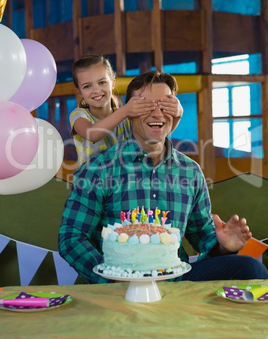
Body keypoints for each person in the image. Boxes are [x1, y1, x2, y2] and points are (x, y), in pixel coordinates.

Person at [59, 70, 268, 284]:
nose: (157, 113)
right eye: (146, 106)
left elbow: (202, 234)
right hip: (118, 283)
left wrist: (224, 246)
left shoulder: (191, 171)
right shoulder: (100, 168)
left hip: (177, 280)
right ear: (129, 112)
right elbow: (71, 237)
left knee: (250, 267)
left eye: (165, 105)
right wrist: (111, 279)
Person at [70, 54, 182, 165]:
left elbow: (156, 135)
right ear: (80, 92)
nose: (96, 90)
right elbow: (91, 134)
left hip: (121, 175)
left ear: (113, 82)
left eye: (102, 82)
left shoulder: (124, 116)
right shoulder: (79, 115)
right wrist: (125, 111)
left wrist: (178, 116)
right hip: (92, 177)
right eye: (87, 86)